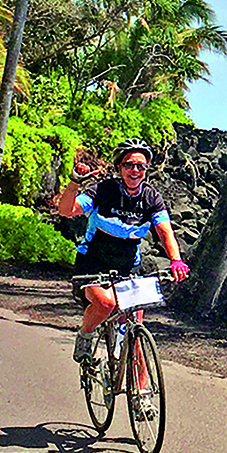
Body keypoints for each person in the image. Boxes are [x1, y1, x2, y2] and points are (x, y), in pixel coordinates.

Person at [68, 140, 188, 365]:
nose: (135, 170)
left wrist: (176, 260)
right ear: (119, 167)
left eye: (140, 166)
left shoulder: (151, 198)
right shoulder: (103, 190)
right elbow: (67, 210)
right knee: (106, 304)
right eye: (129, 165)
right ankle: (86, 334)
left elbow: (165, 232)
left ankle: (141, 394)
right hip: (92, 263)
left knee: (136, 333)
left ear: (147, 170)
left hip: (128, 266)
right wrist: (75, 182)